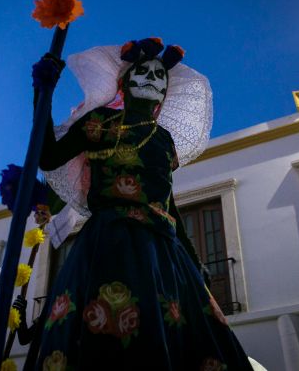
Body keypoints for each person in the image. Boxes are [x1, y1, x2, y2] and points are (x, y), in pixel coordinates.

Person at [23, 38, 255, 370]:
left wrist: (193, 261)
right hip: (106, 242)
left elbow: (168, 204)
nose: (151, 77)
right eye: (142, 71)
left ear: (163, 95)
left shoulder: (163, 141)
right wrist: (41, 94)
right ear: (125, 82)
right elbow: (48, 156)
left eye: (160, 77)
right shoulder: (100, 121)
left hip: (160, 251)